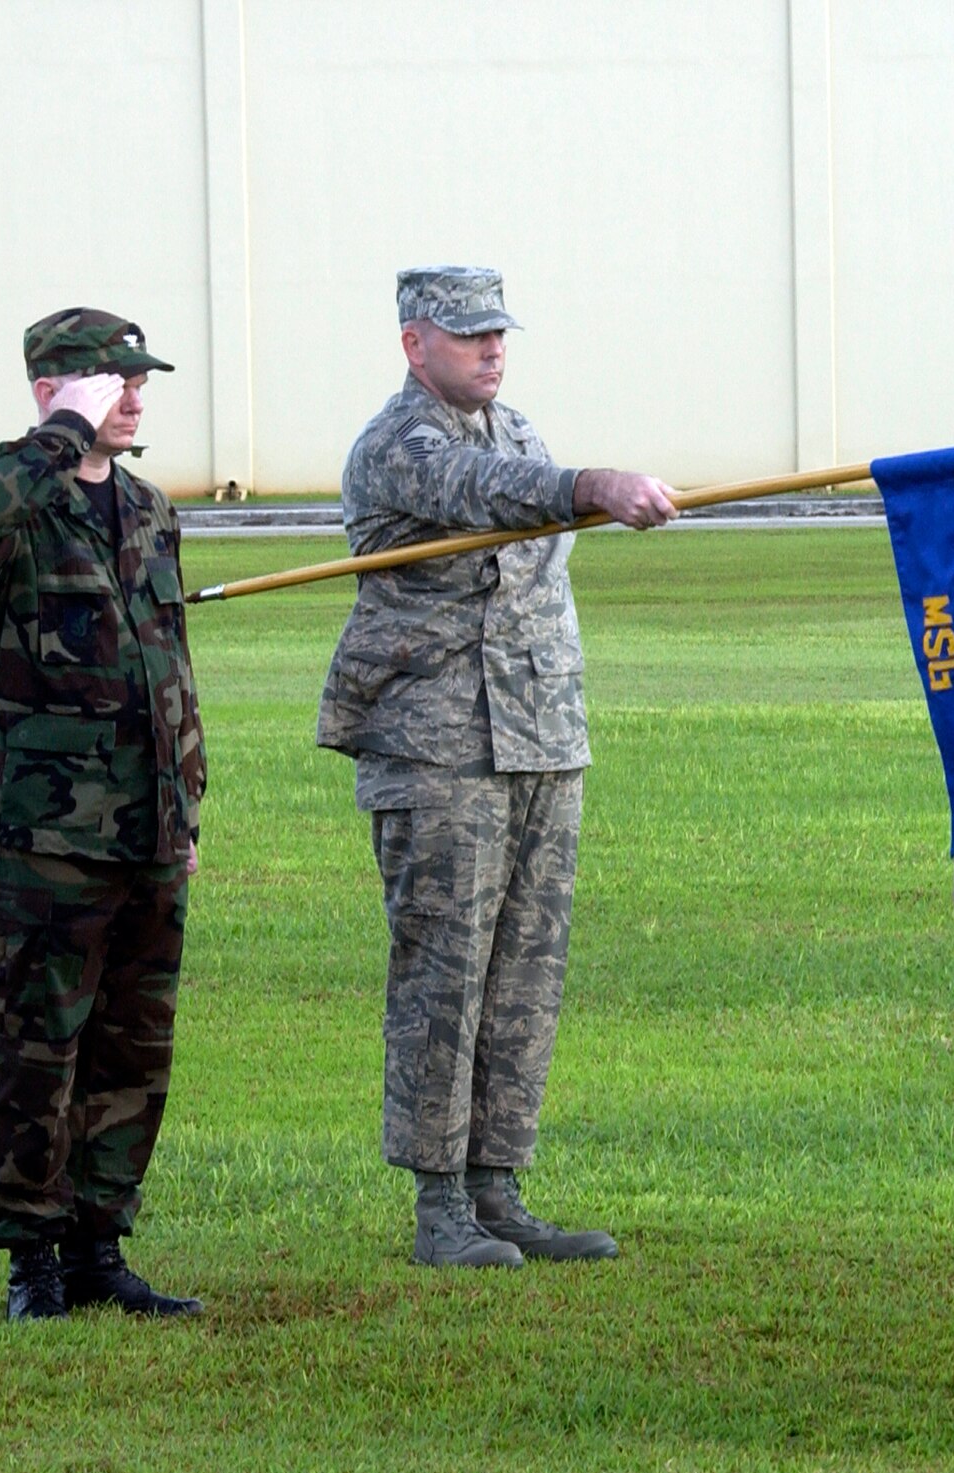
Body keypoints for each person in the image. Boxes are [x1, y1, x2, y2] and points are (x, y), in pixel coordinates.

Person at [318, 266, 677, 1269]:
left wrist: (573, 483)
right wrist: (587, 488)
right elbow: (482, 495)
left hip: (538, 736)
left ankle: (497, 1187)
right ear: (413, 343)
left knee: (525, 974)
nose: (490, 348)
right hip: (437, 746)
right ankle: (439, 1204)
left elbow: (521, 510)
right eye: (467, 333)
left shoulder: (519, 432)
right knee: (444, 975)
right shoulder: (399, 447)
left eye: (498, 332)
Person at [0, 308, 207, 1321]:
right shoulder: (20, 500)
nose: (133, 396)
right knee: (33, 1050)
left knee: (131, 1048)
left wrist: (184, 813)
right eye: (112, 381)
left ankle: (101, 1245)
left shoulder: (146, 507)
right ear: (55, 387)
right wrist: (56, 432)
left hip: (144, 828)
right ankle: (32, 1261)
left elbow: (167, 671)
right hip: (38, 837)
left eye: (139, 381)